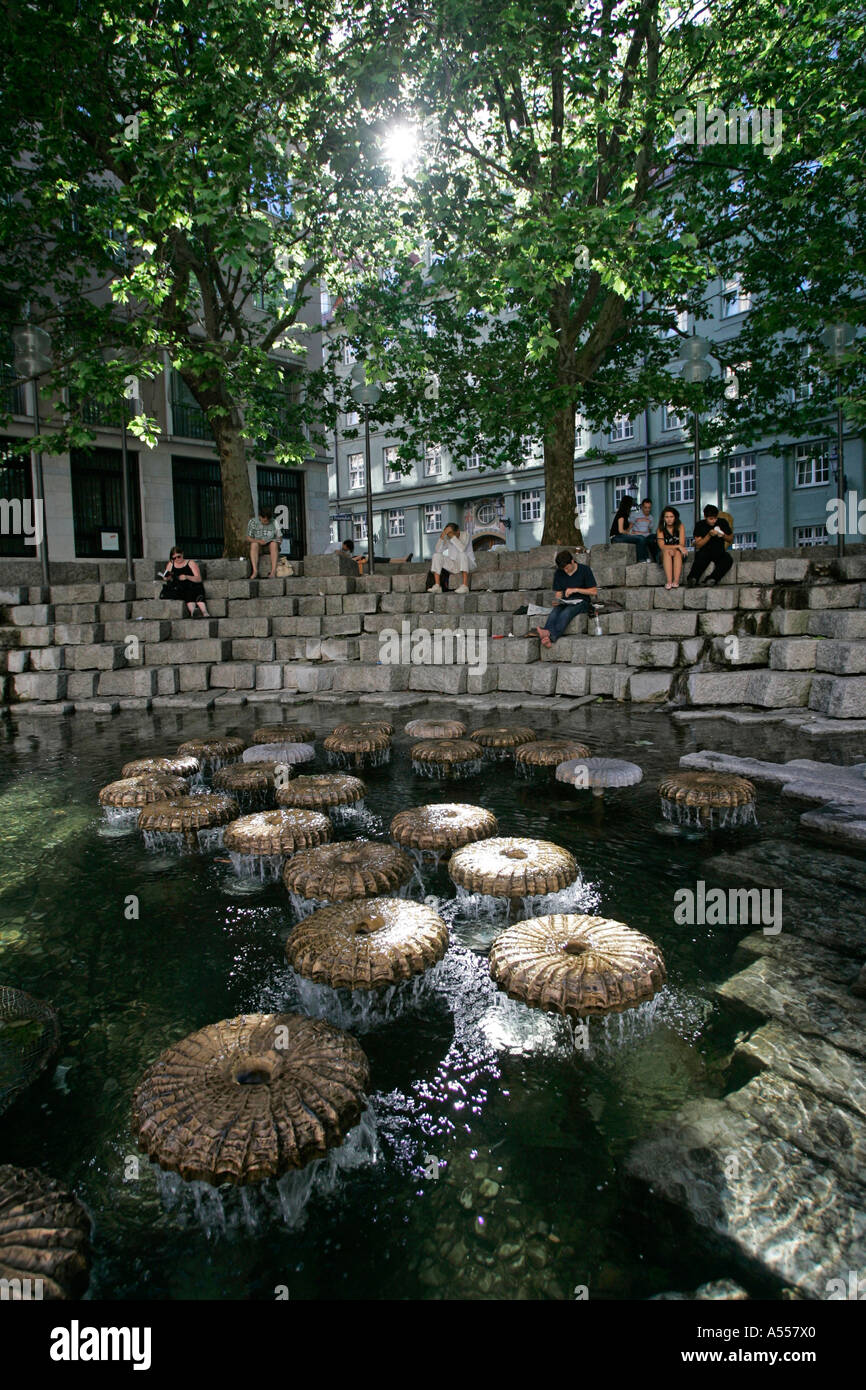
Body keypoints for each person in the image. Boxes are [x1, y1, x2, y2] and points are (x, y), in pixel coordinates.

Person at [534, 549, 598, 648]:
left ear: (572, 561)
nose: (565, 570)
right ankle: (546, 633)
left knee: (566, 612)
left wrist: (576, 590)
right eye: (563, 569)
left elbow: (594, 591)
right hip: (566, 601)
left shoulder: (585, 570)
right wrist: (557, 600)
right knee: (555, 611)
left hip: (582, 601)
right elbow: (559, 593)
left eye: (567, 568)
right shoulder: (559, 572)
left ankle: (550, 636)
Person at [687, 505, 733, 586]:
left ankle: (712, 579)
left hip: (719, 551)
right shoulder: (700, 525)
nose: (714, 521)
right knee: (700, 558)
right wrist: (709, 535)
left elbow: (730, 539)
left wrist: (722, 535)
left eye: (715, 518)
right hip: (705, 551)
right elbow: (698, 545)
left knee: (727, 559)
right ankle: (692, 579)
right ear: (705, 517)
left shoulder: (722, 522)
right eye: (711, 519)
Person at [159, 546, 210, 617]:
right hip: (179, 587)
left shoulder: (190, 563)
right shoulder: (171, 564)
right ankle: (193, 612)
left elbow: (198, 578)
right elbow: (166, 578)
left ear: (182, 554)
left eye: (178, 557)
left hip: (191, 585)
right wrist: (167, 577)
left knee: (195, 593)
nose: (177, 559)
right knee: (186, 594)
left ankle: (204, 612)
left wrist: (187, 577)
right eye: (174, 558)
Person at [430, 523, 476, 594]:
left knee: (462, 554)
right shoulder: (447, 537)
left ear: (457, 531)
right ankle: (437, 586)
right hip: (454, 565)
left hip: (468, 565)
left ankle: (465, 586)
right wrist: (442, 536)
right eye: (447, 533)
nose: (448, 535)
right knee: (436, 555)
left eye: (450, 533)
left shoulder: (466, 535)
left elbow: (462, 549)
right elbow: (438, 550)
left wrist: (452, 536)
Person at [326, 538, 412, 572]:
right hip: (363, 560)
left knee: (381, 559)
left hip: (363, 559)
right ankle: (403, 560)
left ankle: (403, 559)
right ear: (345, 545)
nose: (346, 551)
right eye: (347, 549)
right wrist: (356, 558)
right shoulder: (338, 546)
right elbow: (341, 554)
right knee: (381, 559)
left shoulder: (342, 550)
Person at [609, 495, 650, 562]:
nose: (631, 507)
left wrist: (631, 527)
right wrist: (630, 534)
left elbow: (626, 530)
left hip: (620, 536)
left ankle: (646, 558)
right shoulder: (621, 514)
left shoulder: (625, 515)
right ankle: (641, 559)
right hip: (616, 538)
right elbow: (621, 530)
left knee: (642, 537)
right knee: (640, 539)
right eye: (631, 505)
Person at [657, 506, 688, 589]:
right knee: (667, 552)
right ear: (663, 518)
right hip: (665, 553)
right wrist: (676, 546)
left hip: (679, 553)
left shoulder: (680, 526)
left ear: (675, 517)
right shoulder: (660, 529)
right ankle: (669, 581)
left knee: (677, 552)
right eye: (666, 517)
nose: (669, 519)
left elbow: (682, 544)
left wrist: (675, 549)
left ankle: (676, 581)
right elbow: (662, 546)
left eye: (671, 517)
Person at [247, 506, 281, 579]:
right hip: (258, 544)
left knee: (274, 544)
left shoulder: (274, 522)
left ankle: (273, 572)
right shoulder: (252, 522)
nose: (267, 522)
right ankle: (255, 571)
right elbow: (249, 538)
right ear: (260, 517)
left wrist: (278, 542)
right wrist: (258, 541)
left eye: (268, 521)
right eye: (264, 521)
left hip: (270, 545)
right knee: (254, 544)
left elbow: (279, 536)